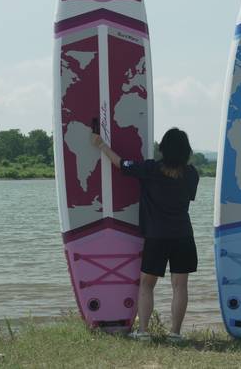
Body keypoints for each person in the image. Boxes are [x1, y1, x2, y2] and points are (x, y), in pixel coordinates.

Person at [92, 127, 199, 341]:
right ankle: (175, 333)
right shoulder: (192, 174)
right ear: (186, 151)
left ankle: (143, 332)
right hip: (184, 236)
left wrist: (101, 145)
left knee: (146, 285)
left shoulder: (150, 169)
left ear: (163, 149)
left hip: (157, 237)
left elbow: (121, 164)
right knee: (180, 286)